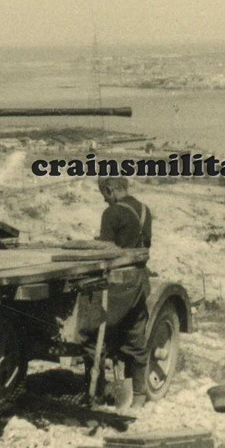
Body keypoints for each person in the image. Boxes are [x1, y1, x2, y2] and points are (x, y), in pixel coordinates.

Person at [87, 175, 153, 410]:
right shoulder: (145, 210)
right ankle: (139, 396)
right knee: (135, 335)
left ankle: (96, 393)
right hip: (139, 280)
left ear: (110, 190)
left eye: (104, 195)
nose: (105, 200)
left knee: (94, 335)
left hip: (117, 284)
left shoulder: (112, 213)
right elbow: (143, 243)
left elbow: (106, 251)